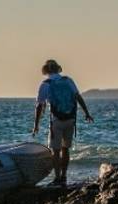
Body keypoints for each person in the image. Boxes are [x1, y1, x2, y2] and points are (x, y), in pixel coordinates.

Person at [31, 59, 93, 187]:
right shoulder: (68, 80)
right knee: (66, 149)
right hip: (70, 120)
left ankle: (57, 178)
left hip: (56, 121)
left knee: (55, 150)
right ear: (58, 69)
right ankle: (64, 176)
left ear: (46, 71)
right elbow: (78, 97)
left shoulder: (45, 84)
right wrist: (86, 113)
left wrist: (36, 125)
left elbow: (39, 106)